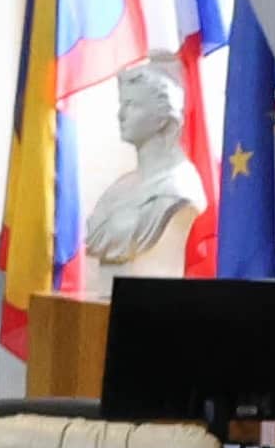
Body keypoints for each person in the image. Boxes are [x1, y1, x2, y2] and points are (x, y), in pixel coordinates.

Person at [75, 62, 206, 286]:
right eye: (122, 104)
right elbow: (94, 236)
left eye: (132, 105)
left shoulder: (179, 187)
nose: (121, 115)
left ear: (162, 118)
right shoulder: (119, 189)